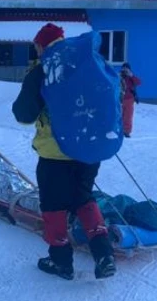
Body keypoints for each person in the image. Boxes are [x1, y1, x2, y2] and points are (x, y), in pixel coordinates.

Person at [12, 23, 117, 281]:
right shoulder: (88, 63)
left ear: (40, 45)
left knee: (53, 205)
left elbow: (23, 115)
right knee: (83, 198)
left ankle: (61, 261)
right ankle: (104, 254)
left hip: (55, 154)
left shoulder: (44, 69)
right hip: (90, 148)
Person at [120, 63, 141, 138]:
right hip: (120, 99)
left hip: (129, 99)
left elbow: (139, 82)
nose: (125, 70)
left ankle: (126, 131)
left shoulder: (131, 77)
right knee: (119, 115)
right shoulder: (119, 76)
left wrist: (131, 75)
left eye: (126, 69)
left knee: (128, 116)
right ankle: (119, 130)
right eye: (123, 68)